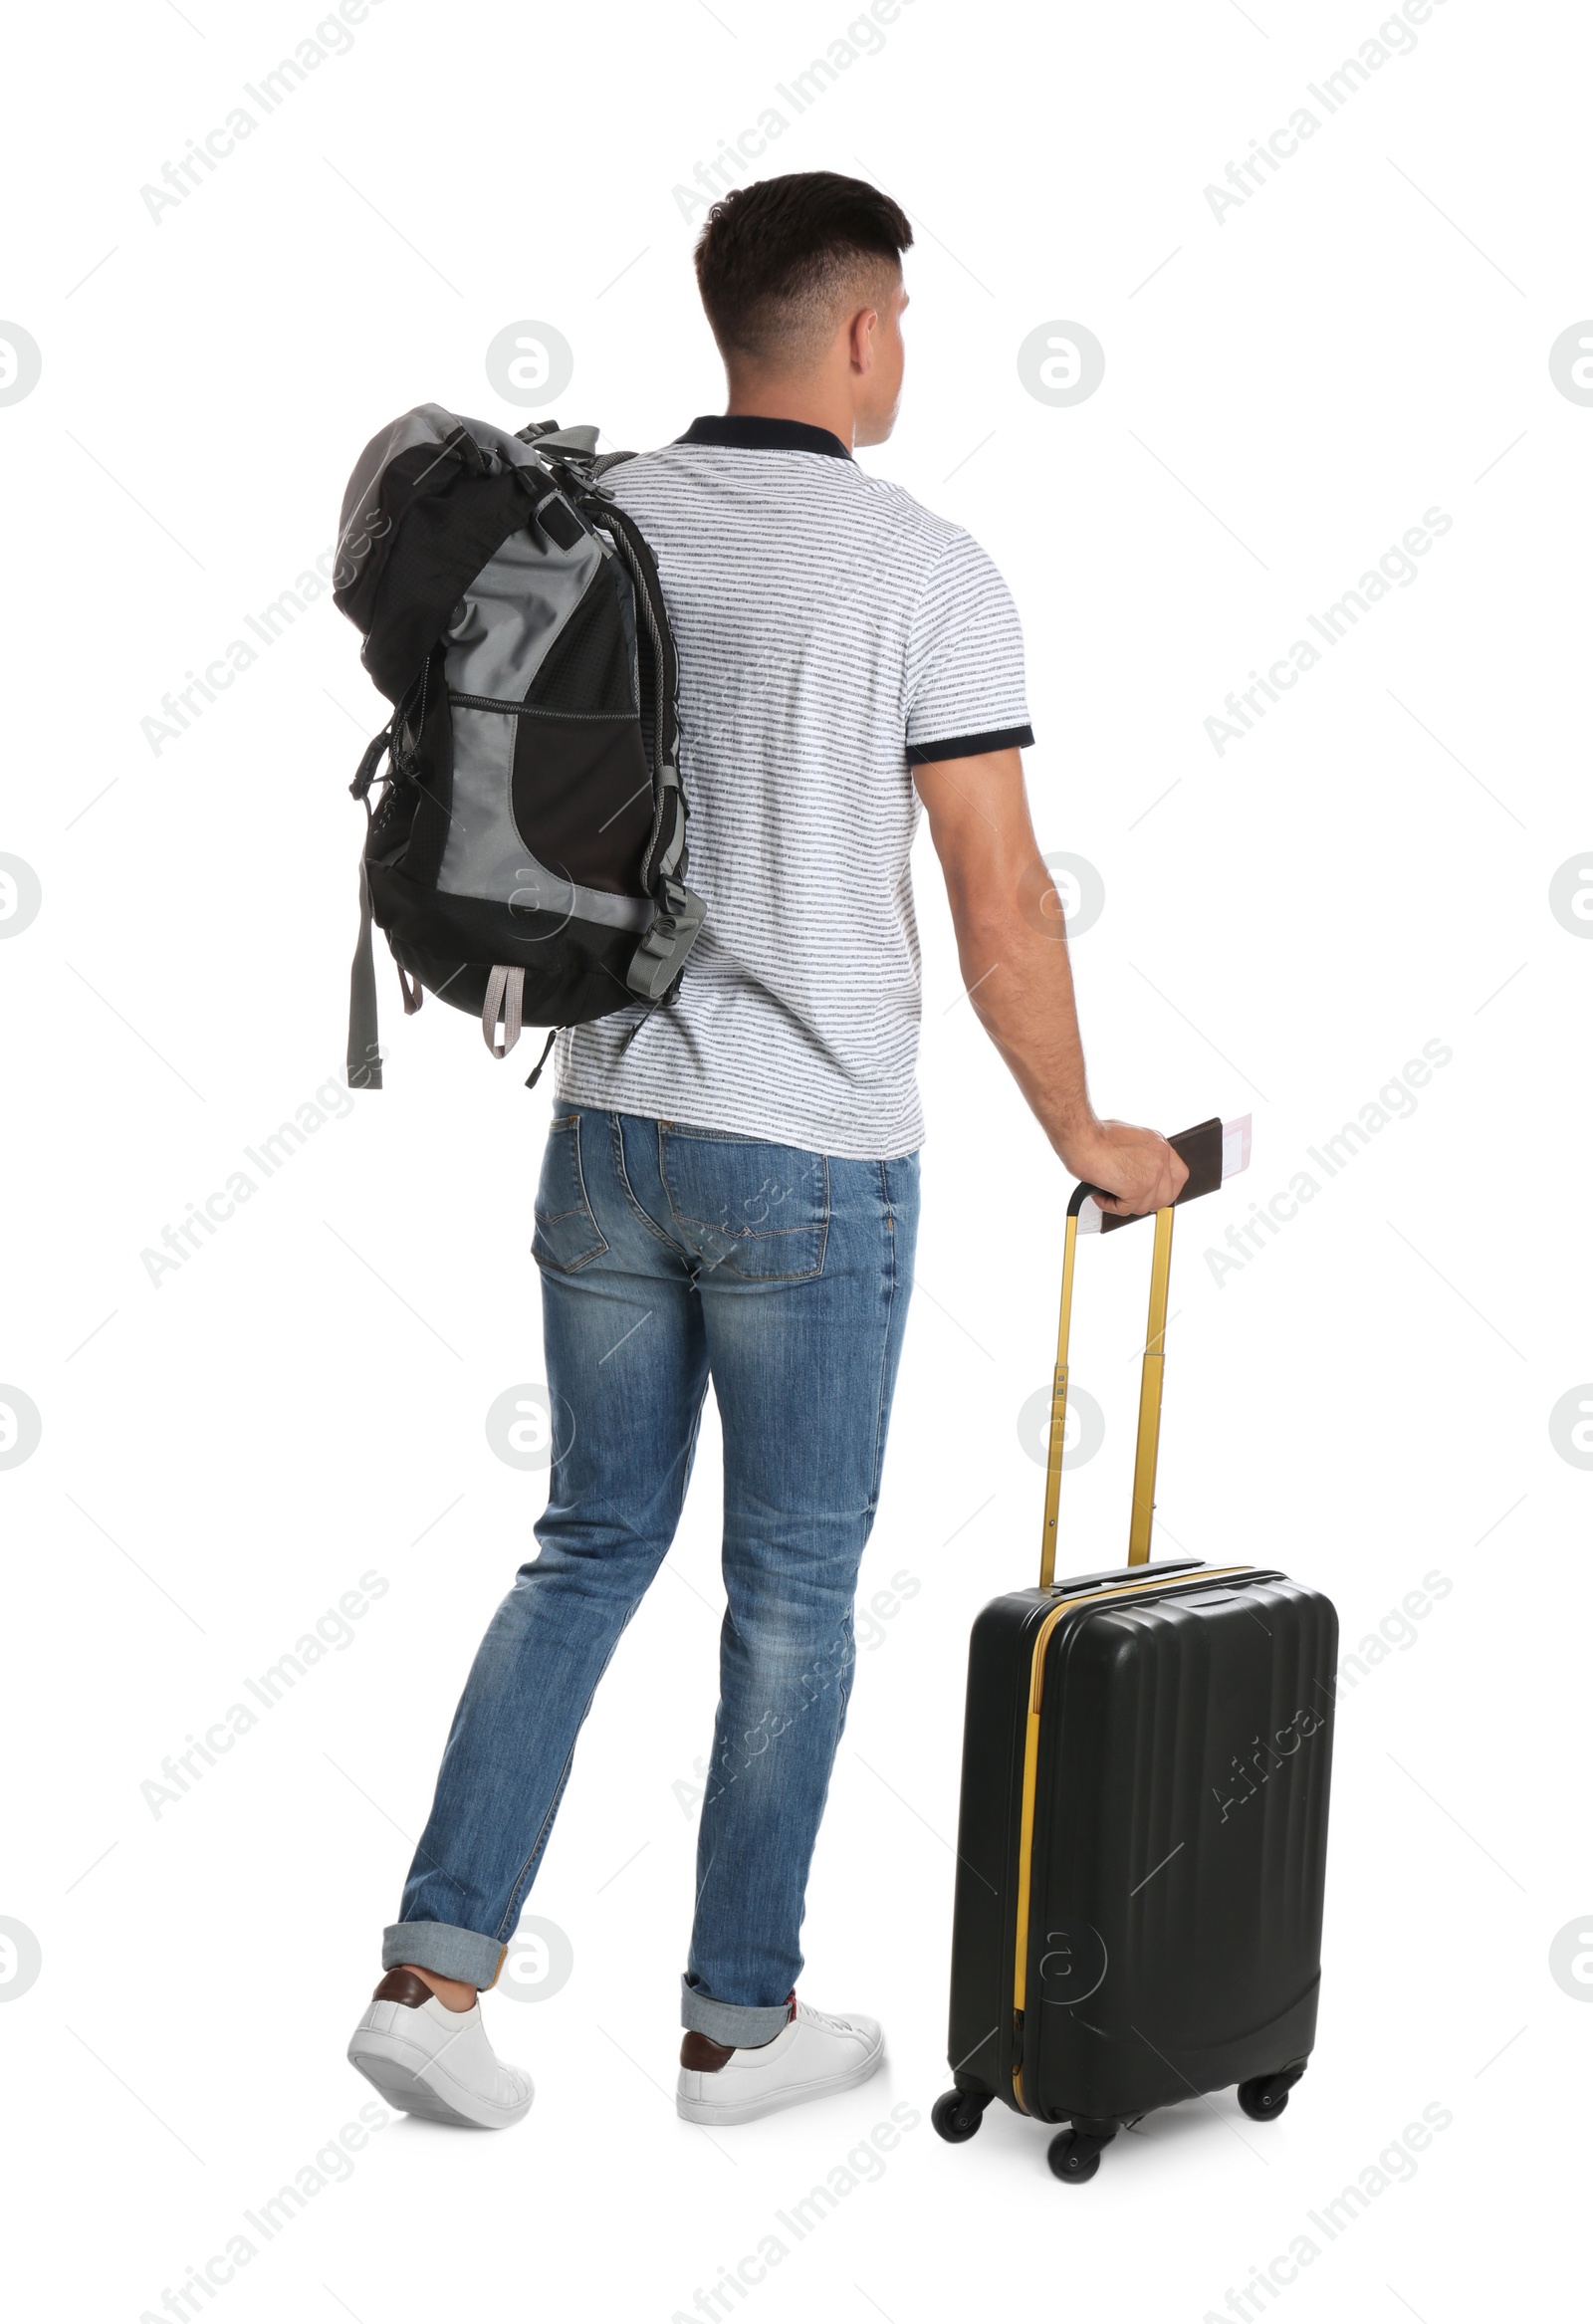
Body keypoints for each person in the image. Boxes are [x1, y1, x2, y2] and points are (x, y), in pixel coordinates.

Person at [346, 169, 1187, 2133]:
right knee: (790, 1593)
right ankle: (735, 2026)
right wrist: (1088, 1134)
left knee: (582, 1552)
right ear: (864, 328)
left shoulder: (605, 511)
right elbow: (1000, 905)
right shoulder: (921, 566)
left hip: (606, 1136)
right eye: (900, 309)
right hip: (806, 1158)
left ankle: (430, 1978)